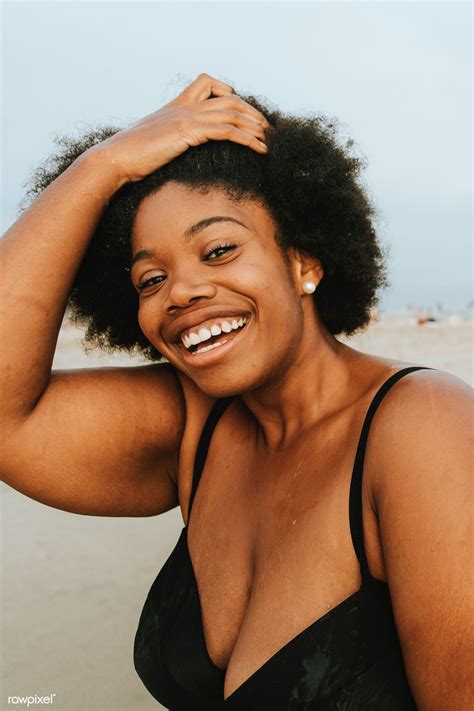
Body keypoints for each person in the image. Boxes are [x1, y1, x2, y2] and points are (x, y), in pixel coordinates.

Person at [1, 74, 472, 711]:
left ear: (304, 261)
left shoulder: (424, 427)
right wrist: (104, 165)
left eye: (219, 250)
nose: (181, 292)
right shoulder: (197, 426)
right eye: (150, 278)